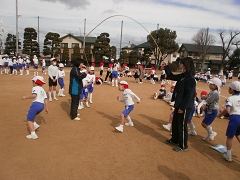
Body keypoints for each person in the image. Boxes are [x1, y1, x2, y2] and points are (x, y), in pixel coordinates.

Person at [164, 57, 196, 152]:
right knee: (175, 123)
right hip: (178, 104)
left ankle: (183, 145)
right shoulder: (183, 76)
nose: (180, 65)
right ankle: (174, 139)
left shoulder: (190, 79)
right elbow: (171, 76)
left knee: (182, 125)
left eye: (182, 63)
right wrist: (166, 66)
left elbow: (189, 95)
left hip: (185, 106)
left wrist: (183, 107)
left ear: (186, 65)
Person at [218, 81, 240, 162]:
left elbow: (227, 110)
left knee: (230, 137)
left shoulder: (230, 98)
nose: (228, 89)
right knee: (237, 134)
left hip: (234, 118)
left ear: (232, 90)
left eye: (229, 88)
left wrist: (220, 114)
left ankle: (228, 155)